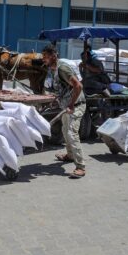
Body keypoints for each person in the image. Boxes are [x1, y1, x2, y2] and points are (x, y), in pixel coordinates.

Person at [42, 44, 87, 179]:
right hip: (66, 106)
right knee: (65, 131)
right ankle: (70, 155)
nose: (43, 59)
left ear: (53, 56)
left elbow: (78, 85)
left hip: (76, 105)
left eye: (45, 56)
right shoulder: (54, 69)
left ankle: (80, 167)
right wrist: (57, 99)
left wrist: (72, 104)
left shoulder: (62, 68)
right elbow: (64, 88)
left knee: (72, 134)